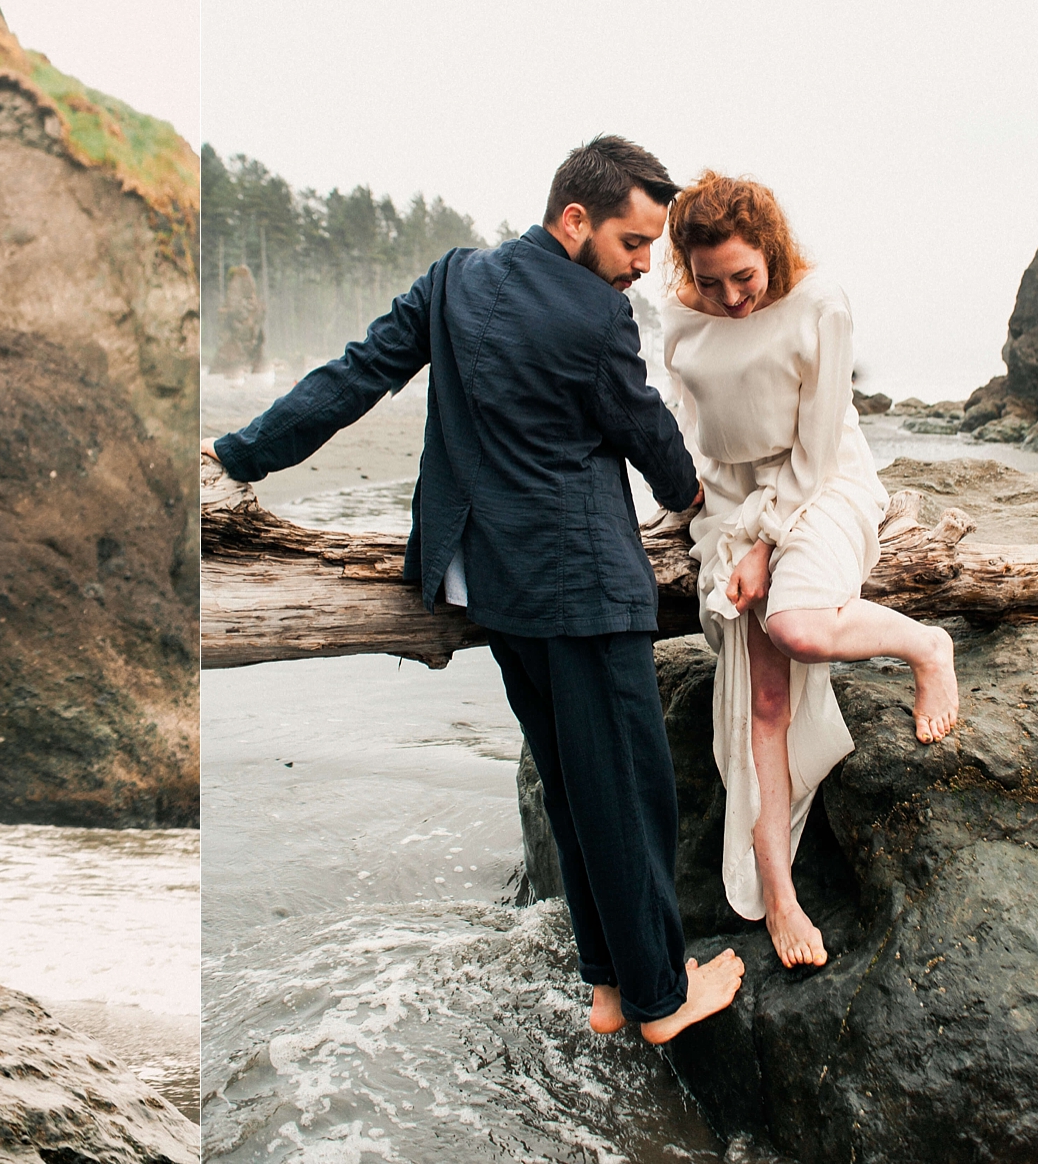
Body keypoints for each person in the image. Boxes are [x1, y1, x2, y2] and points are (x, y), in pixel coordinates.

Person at [207, 136, 744, 1043]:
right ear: (575, 220)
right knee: (628, 789)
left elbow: (355, 376)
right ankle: (660, 998)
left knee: (575, 793)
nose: (642, 267)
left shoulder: (455, 279)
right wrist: (699, 497)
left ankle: (610, 985)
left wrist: (238, 453)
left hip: (493, 589)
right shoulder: (595, 318)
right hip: (586, 589)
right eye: (631, 243)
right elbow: (644, 427)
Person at [661, 172, 959, 971]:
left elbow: (819, 445)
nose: (730, 298)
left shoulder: (820, 302)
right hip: (732, 505)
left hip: (820, 484)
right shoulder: (678, 318)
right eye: (710, 280)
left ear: (773, 251)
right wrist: (711, 524)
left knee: (794, 625)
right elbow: (694, 431)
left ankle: (928, 645)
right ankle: (779, 891)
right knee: (763, 698)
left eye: (745, 277)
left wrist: (765, 540)